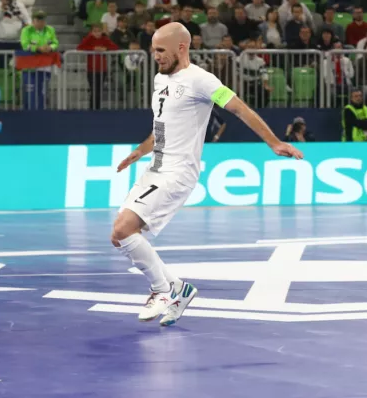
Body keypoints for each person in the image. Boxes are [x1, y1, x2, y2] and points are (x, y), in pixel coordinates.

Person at [113, 23, 303, 327]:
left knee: (124, 229)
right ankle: (180, 289)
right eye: (154, 50)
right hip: (155, 168)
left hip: (178, 172)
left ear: (181, 48)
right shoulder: (160, 78)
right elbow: (162, 126)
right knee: (119, 237)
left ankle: (161, 290)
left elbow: (240, 109)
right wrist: (141, 150)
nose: (155, 56)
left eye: (161, 50)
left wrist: (274, 142)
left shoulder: (202, 80)